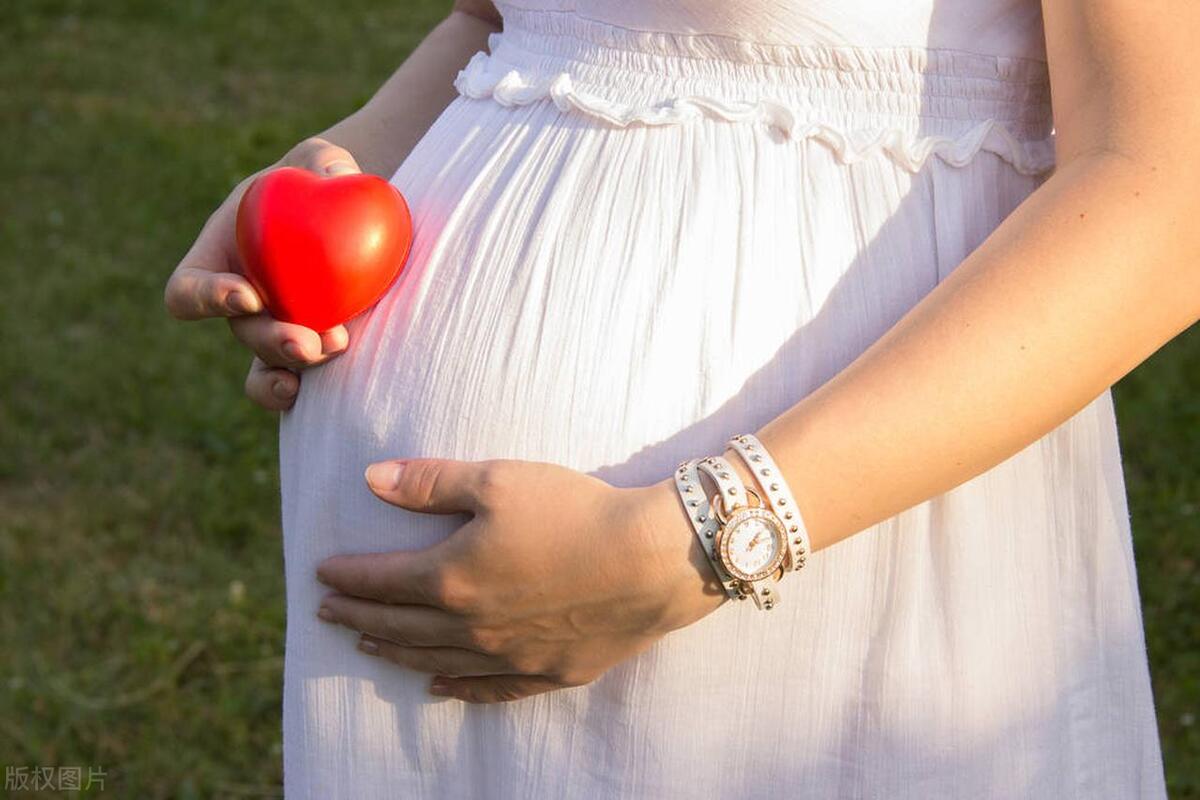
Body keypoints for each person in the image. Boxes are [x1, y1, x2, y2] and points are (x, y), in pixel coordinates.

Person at [164, 0, 1194, 797]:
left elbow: (1168, 181)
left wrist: (697, 539)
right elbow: (504, 23)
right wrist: (328, 191)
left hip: (808, 563)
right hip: (414, 646)